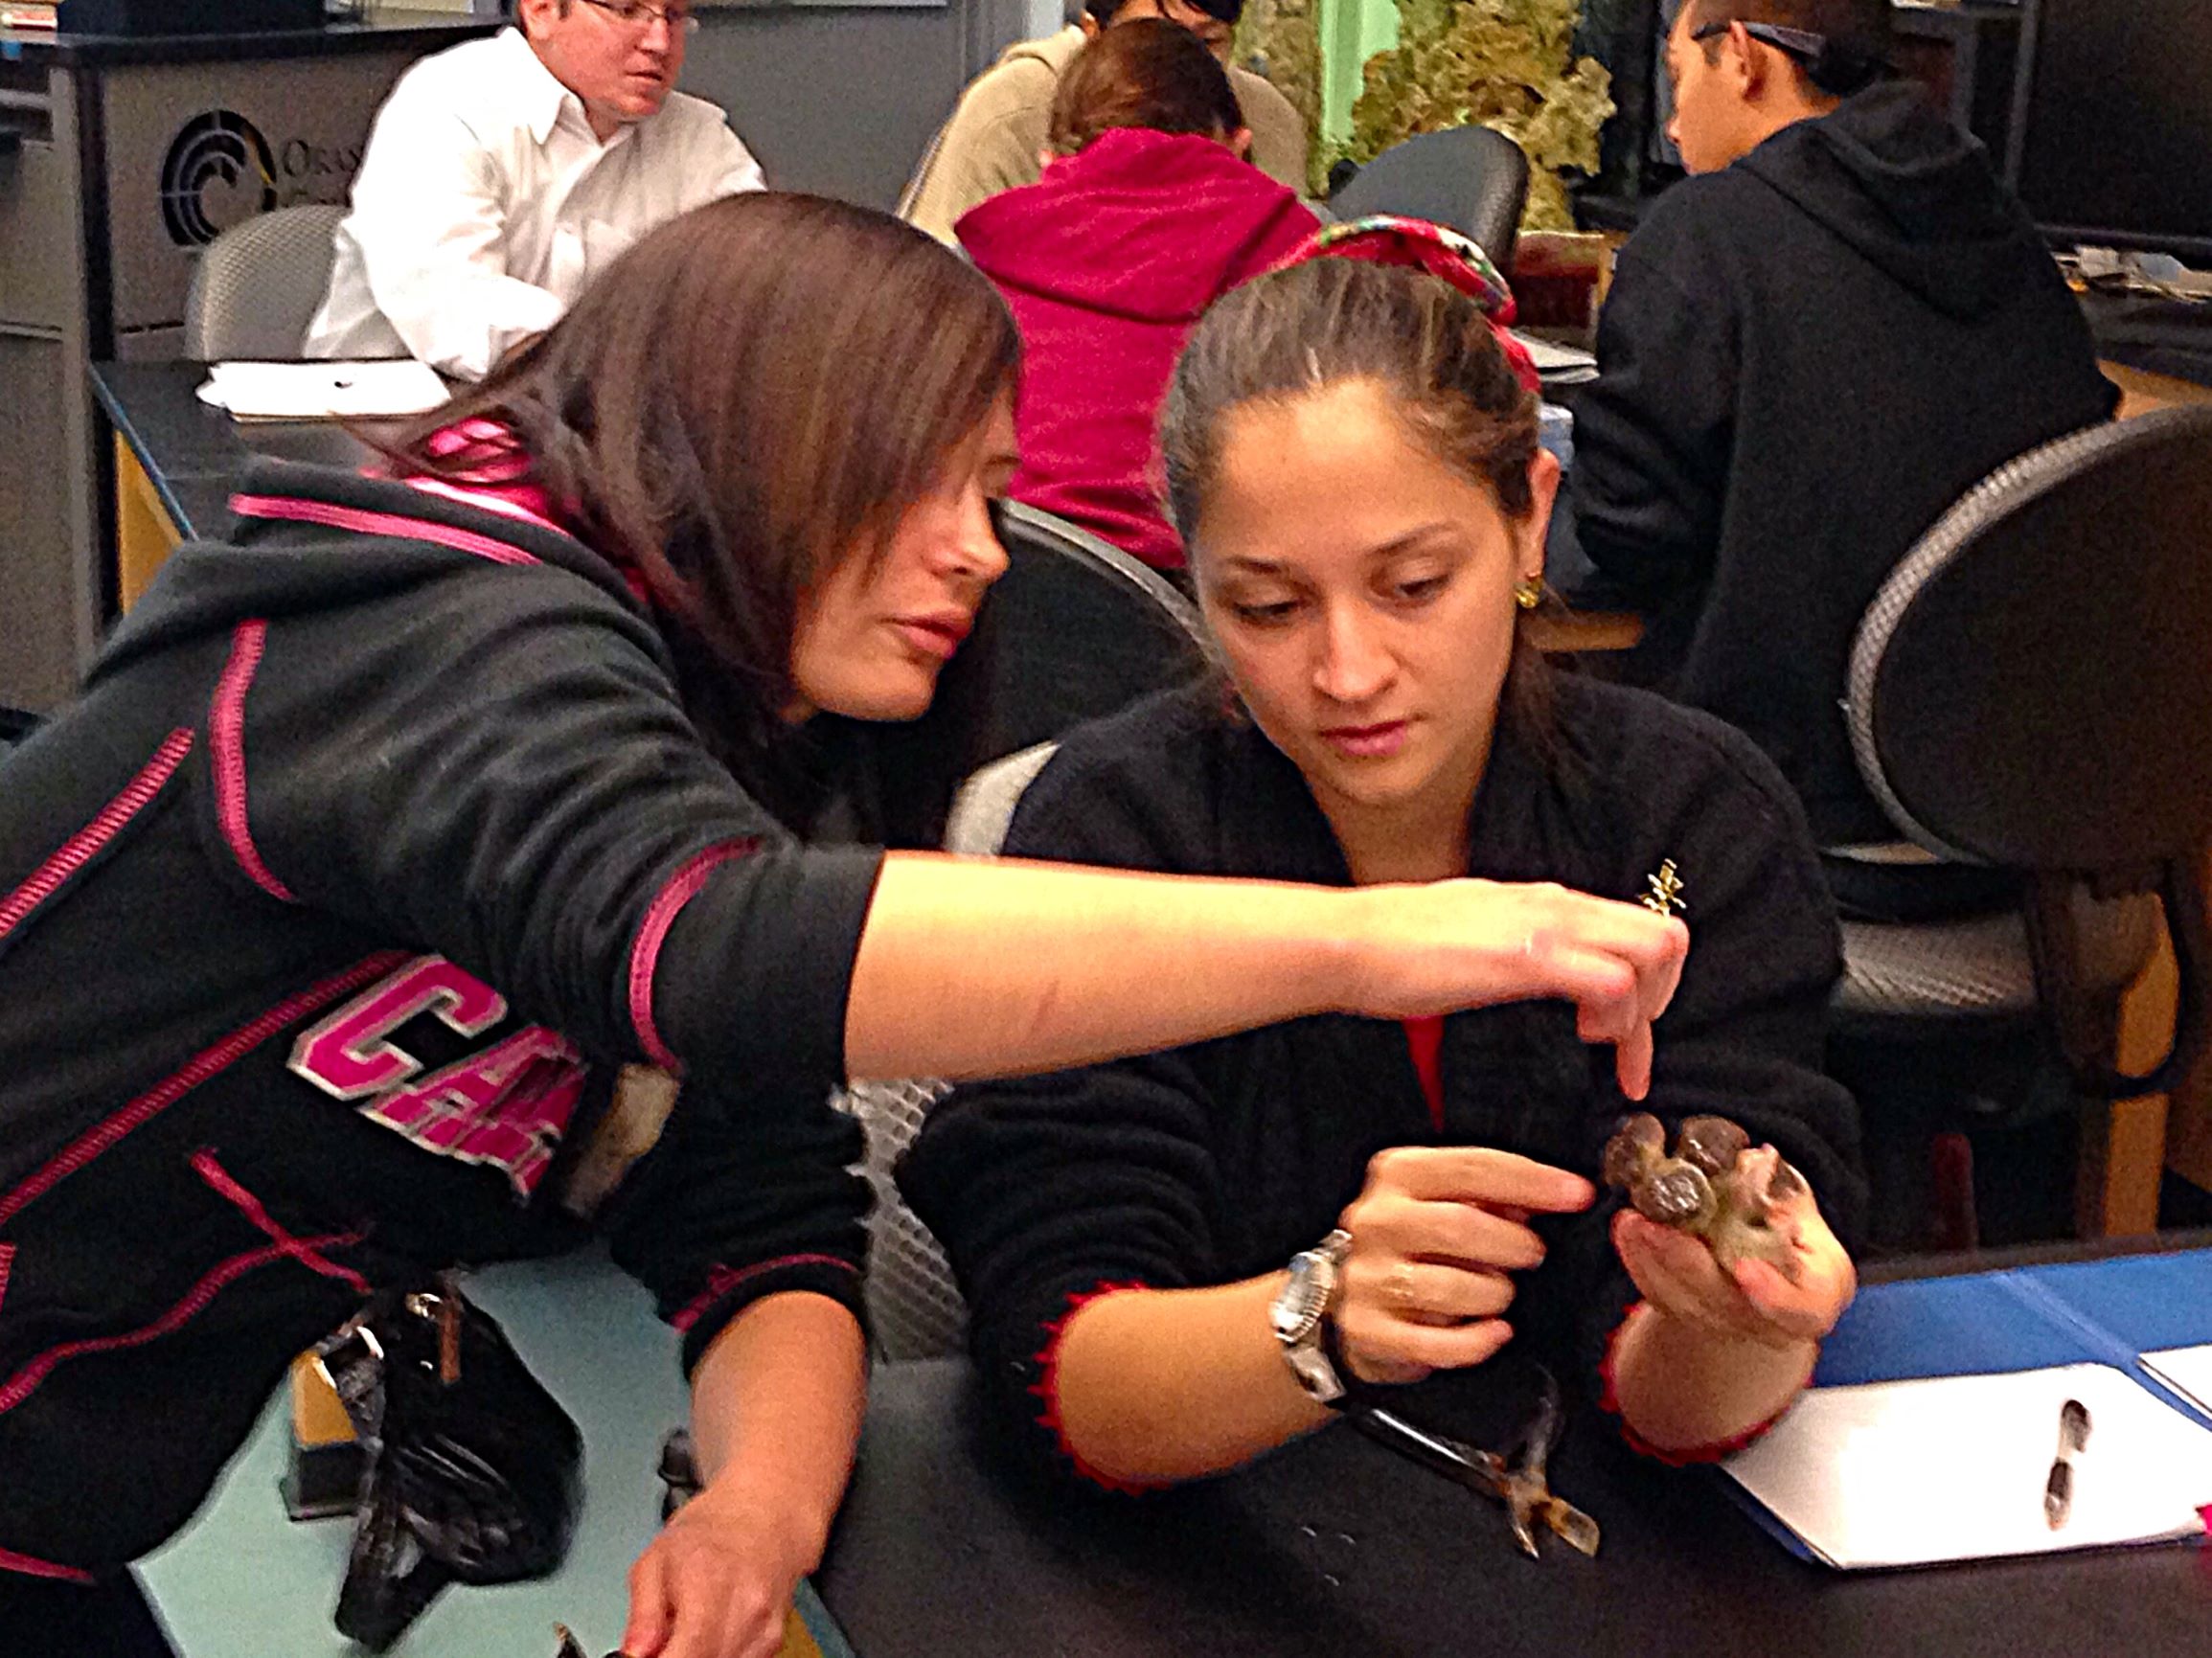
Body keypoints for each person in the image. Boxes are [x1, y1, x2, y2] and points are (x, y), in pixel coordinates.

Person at [0, 196, 1691, 1658]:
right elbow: (710, 945)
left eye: (994, 491)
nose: (975, 554)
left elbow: (765, 1220)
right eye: (922, 481)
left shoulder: (695, 754)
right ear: (748, 430)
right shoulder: (435, 613)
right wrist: (1375, 938)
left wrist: (751, 1513)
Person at [901, 228, 1865, 1496]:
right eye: (1266, 605)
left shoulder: (1687, 810)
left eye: (1413, 584)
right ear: (1188, 577)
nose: (1348, 672)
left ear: (1529, 518)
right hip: (1204, 1542)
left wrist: (1731, 1307)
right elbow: (1064, 1361)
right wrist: (1321, 1323)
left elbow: (1674, 1393)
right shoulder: (1115, 830)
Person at [1563, 0, 2116, 850]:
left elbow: (1630, 536)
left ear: (1741, 59)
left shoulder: (1700, 240)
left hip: (1778, 819)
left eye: (1678, 78)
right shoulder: (2010, 237)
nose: (1672, 127)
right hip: (2026, 819)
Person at [958, 20, 1319, 571]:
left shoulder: (973, 266)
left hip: (1005, 588)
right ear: (1240, 147)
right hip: (1214, 597)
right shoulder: (1298, 252)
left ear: (1049, 161)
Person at [304, 0, 764, 379]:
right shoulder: (447, 103)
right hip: (390, 430)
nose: (659, 42)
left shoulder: (698, 137)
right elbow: (453, 304)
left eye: (675, 16)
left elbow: (750, 291)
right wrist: (626, 359)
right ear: (542, 10)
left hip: (602, 429)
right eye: (628, 11)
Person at [898, 0, 1309, 246]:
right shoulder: (1011, 113)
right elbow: (938, 307)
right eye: (1151, 39)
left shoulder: (1270, 121)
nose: (1180, 67)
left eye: (1208, 43)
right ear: (1093, 31)